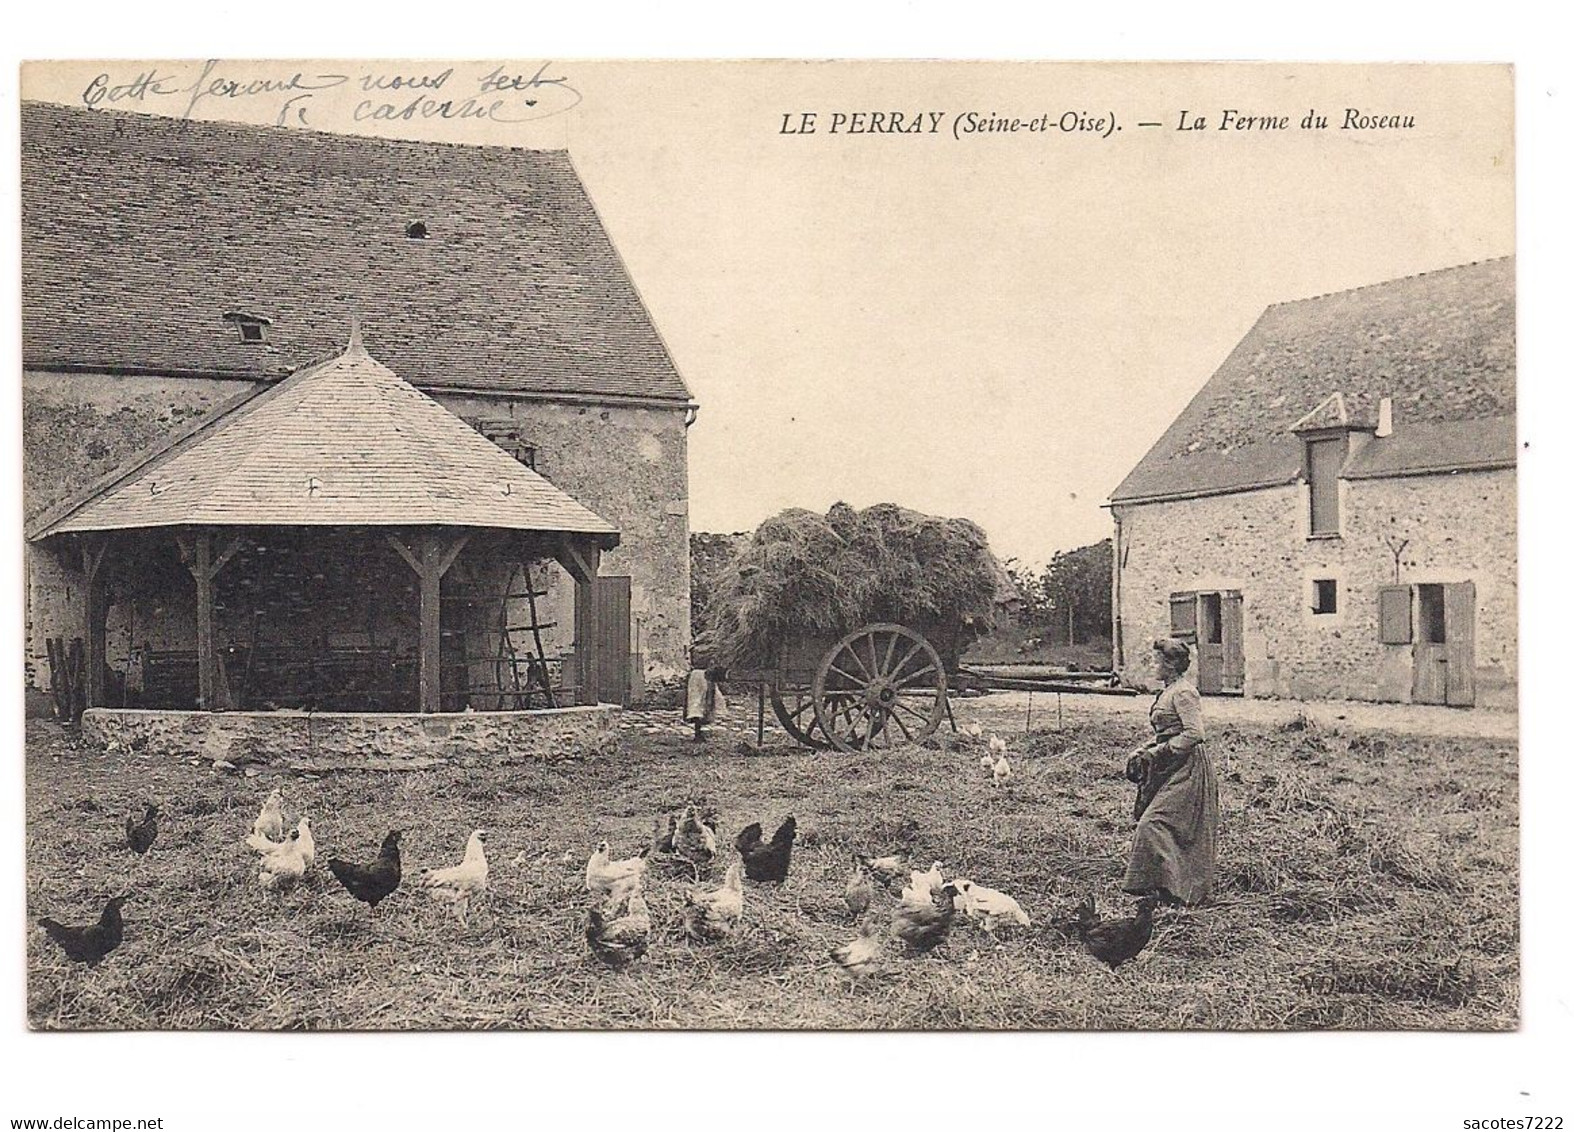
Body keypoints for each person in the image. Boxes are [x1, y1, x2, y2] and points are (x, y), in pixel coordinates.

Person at [1121, 637, 1219, 906]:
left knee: (1155, 824)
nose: (1153, 665)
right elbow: (1167, 732)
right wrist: (1143, 749)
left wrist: (1158, 752)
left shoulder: (1184, 692)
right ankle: (1166, 887)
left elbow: (1194, 733)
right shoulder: (1167, 691)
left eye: (1157, 661)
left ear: (1171, 665)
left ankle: (1184, 889)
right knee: (1161, 826)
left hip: (1187, 768)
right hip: (1169, 766)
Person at [683, 662, 728, 742]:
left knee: (701, 703)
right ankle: (698, 733)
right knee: (698, 703)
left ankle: (699, 732)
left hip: (704, 675)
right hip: (701, 675)